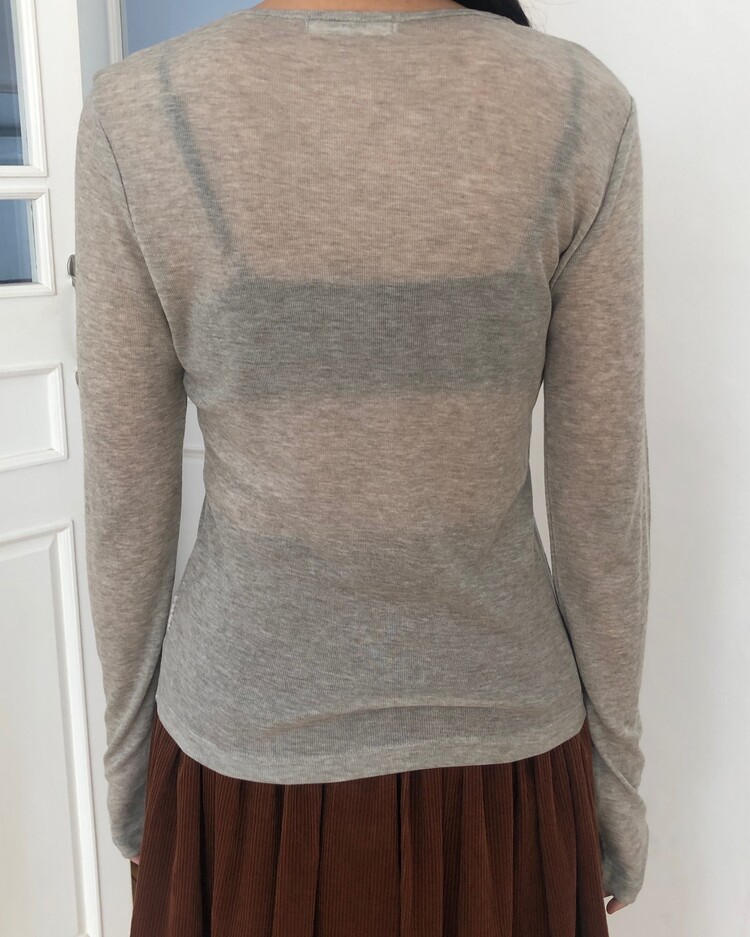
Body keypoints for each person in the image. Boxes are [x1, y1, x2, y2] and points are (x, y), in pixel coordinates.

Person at [74, 0, 650, 933]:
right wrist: (616, 781)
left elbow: (124, 498)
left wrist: (128, 768)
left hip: (240, 763)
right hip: (500, 764)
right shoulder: (580, 102)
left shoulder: (142, 109)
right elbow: (604, 495)